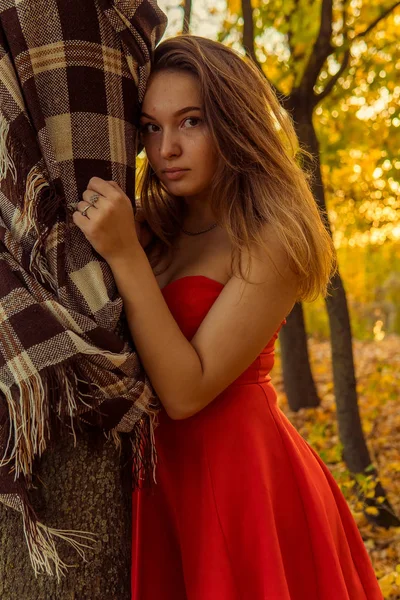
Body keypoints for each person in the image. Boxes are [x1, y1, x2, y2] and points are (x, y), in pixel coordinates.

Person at [73, 35, 383, 600]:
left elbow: (186, 392)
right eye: (150, 126)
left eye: (191, 122)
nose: (166, 148)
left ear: (233, 123)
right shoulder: (157, 228)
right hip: (160, 478)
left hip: (241, 479)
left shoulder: (271, 237)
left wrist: (124, 257)